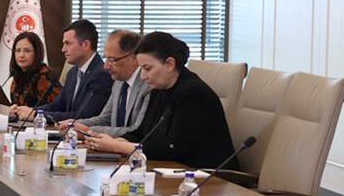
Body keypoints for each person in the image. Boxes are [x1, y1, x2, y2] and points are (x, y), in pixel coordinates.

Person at [83, 32, 235, 169]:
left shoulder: (194, 94)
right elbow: (142, 133)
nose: (143, 76)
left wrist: (118, 146)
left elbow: (172, 149)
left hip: (210, 178)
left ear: (169, 64)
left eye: (147, 68)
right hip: (171, 171)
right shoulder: (159, 90)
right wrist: (118, 140)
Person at [10, 19, 111, 123]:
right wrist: (29, 111)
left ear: (85, 45)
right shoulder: (73, 72)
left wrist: (37, 115)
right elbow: (58, 105)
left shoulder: (101, 75)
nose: (63, 49)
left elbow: (83, 116)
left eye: (68, 44)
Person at [63, 29, 150, 137]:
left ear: (134, 58)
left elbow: (136, 131)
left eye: (112, 60)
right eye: (106, 58)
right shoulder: (119, 82)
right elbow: (106, 118)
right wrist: (74, 124)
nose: (106, 66)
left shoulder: (147, 85)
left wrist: (89, 131)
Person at [5, 31, 61, 110]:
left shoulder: (45, 77)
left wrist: (34, 112)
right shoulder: (18, 75)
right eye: (18, 51)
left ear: (36, 53)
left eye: (27, 51)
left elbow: (58, 108)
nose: (21, 55)